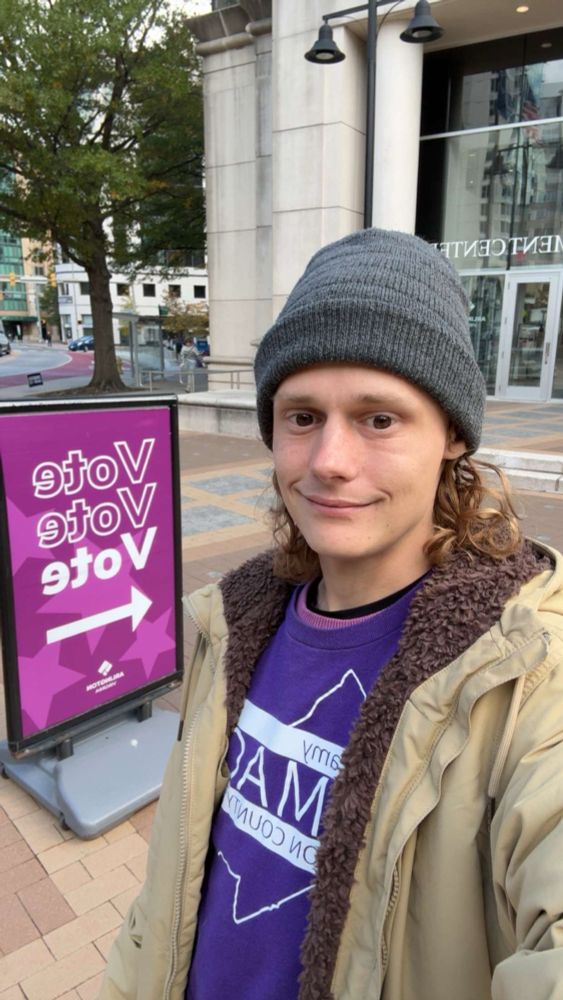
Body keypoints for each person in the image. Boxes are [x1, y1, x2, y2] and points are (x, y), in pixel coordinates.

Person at [100, 229, 563, 1000]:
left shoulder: (522, 674)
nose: (328, 462)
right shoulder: (232, 624)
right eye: (302, 416)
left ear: (450, 435)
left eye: (378, 419)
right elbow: (172, 889)